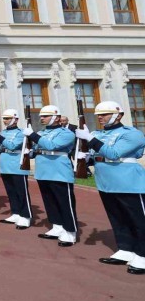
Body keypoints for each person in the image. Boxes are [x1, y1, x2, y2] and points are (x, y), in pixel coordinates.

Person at [75, 101, 145, 275]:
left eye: (105, 114)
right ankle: (125, 249)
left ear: (118, 115)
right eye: (99, 114)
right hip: (106, 182)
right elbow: (97, 156)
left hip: (128, 182)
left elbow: (113, 154)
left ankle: (143, 254)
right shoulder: (97, 133)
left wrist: (90, 139)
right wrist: (85, 156)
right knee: (117, 218)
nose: (100, 117)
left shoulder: (132, 134)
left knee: (138, 220)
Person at [25, 105, 77, 247]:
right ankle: (57, 226)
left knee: (64, 202)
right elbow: (37, 149)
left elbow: (51, 146)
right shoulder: (41, 132)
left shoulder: (66, 133)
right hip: (43, 170)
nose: (42, 118)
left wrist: (33, 135)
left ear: (56, 117)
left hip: (59, 170)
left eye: (45, 116)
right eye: (41, 116)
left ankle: (70, 231)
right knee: (49, 200)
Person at [0, 109, 31, 229]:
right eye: (4, 118)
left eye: (7, 118)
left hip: (17, 165)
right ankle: (16, 213)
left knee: (21, 192)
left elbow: (12, 146)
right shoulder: (3, 132)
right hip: (5, 165)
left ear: (15, 119)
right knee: (11, 192)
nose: (5, 120)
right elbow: (1, 147)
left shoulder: (21, 133)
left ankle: (26, 216)